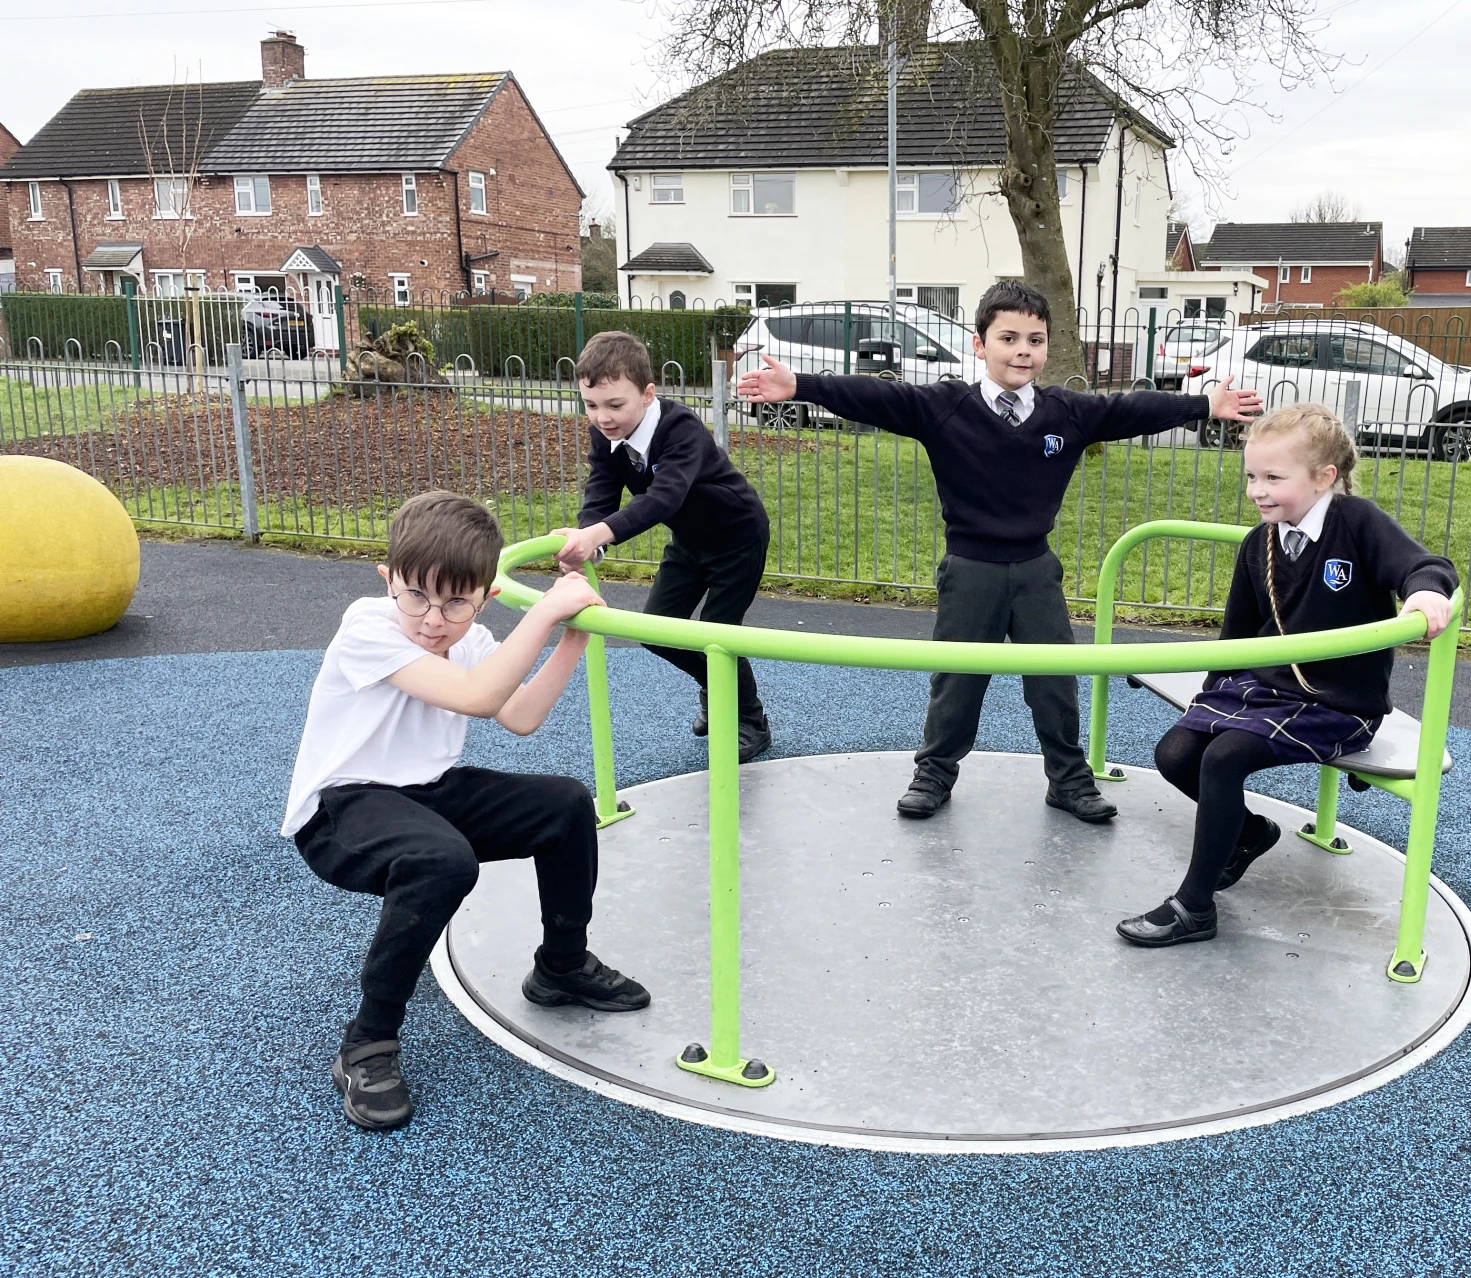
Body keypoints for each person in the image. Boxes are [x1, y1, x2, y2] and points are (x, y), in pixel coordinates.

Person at [736, 280, 1261, 823]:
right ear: (979, 345)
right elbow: (877, 396)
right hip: (970, 569)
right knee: (957, 681)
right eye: (1008, 338)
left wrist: (1204, 403)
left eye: (1035, 340)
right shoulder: (945, 407)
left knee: (1054, 681)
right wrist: (799, 383)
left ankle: (1068, 778)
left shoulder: (1066, 413)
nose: (1023, 350)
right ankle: (935, 772)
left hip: (1035, 569)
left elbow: (1129, 408)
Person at [284, 491, 651, 1131]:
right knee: (442, 861)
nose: (433, 618)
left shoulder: (473, 638)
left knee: (564, 803)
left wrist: (570, 634)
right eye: (417, 596)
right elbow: (480, 698)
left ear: (483, 597)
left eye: (456, 602)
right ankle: (367, 1043)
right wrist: (542, 615)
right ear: (387, 580)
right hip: (341, 809)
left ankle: (561, 968)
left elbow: (521, 715)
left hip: (426, 791)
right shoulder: (366, 625)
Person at [1116, 403, 1458, 951]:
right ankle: (1249, 834)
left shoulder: (1357, 523)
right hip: (1267, 686)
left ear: (1325, 478)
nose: (1258, 489)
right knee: (1176, 754)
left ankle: (1195, 906)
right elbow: (1236, 633)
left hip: (1338, 701)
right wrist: (1207, 704)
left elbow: (1421, 565)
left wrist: (1424, 593)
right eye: (1252, 476)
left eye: (1274, 477)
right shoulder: (1262, 542)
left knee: (1224, 759)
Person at [549, 330, 774, 762]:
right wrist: (586, 541)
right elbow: (600, 490)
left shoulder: (679, 428)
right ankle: (715, 686)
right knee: (658, 629)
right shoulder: (606, 435)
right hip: (689, 541)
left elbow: (664, 497)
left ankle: (750, 720)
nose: (603, 417)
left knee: (717, 633)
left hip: (737, 537)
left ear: (648, 394)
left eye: (616, 405)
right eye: (591, 405)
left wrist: (600, 534)